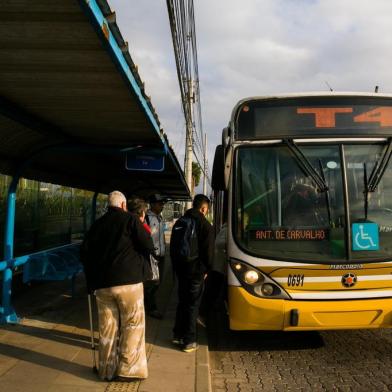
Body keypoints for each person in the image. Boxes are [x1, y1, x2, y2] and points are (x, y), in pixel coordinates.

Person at [80, 191, 154, 382]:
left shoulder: (97, 225)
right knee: (132, 324)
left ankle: (106, 370)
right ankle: (129, 370)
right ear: (123, 205)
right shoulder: (130, 220)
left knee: (107, 328)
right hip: (129, 283)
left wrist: (91, 282)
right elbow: (148, 245)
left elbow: (85, 253)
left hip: (103, 285)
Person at [170, 194, 215, 353]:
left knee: (182, 301)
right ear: (203, 208)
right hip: (196, 272)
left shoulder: (180, 222)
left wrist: (176, 268)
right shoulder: (205, 225)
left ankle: (177, 334)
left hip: (181, 270)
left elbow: (173, 248)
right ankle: (189, 340)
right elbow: (209, 254)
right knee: (193, 305)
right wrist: (206, 270)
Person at [145, 194, 167, 319]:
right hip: (151, 256)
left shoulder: (160, 217)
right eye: (159, 203)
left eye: (162, 203)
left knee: (158, 282)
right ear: (152, 204)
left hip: (161, 256)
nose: (162, 206)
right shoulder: (147, 218)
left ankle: (149, 306)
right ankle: (151, 308)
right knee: (152, 283)